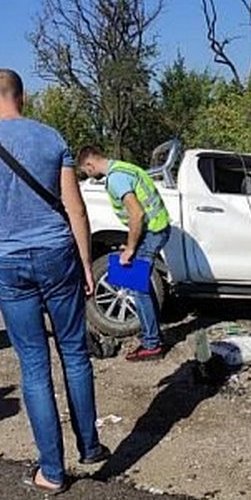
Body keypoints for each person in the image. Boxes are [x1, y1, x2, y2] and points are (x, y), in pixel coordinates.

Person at [0, 69, 108, 494]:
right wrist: (87, 264)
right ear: (24, 97)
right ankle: (90, 447)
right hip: (58, 256)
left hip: (9, 261)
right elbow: (76, 209)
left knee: (34, 365)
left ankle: (52, 472)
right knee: (74, 353)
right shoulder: (52, 138)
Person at [76, 145, 170, 361]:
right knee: (140, 284)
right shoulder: (125, 168)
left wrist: (129, 249)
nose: (87, 174)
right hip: (156, 229)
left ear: (90, 164)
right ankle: (153, 338)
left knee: (137, 287)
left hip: (152, 232)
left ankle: (152, 344)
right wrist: (131, 244)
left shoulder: (116, 178)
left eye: (85, 170)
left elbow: (136, 214)